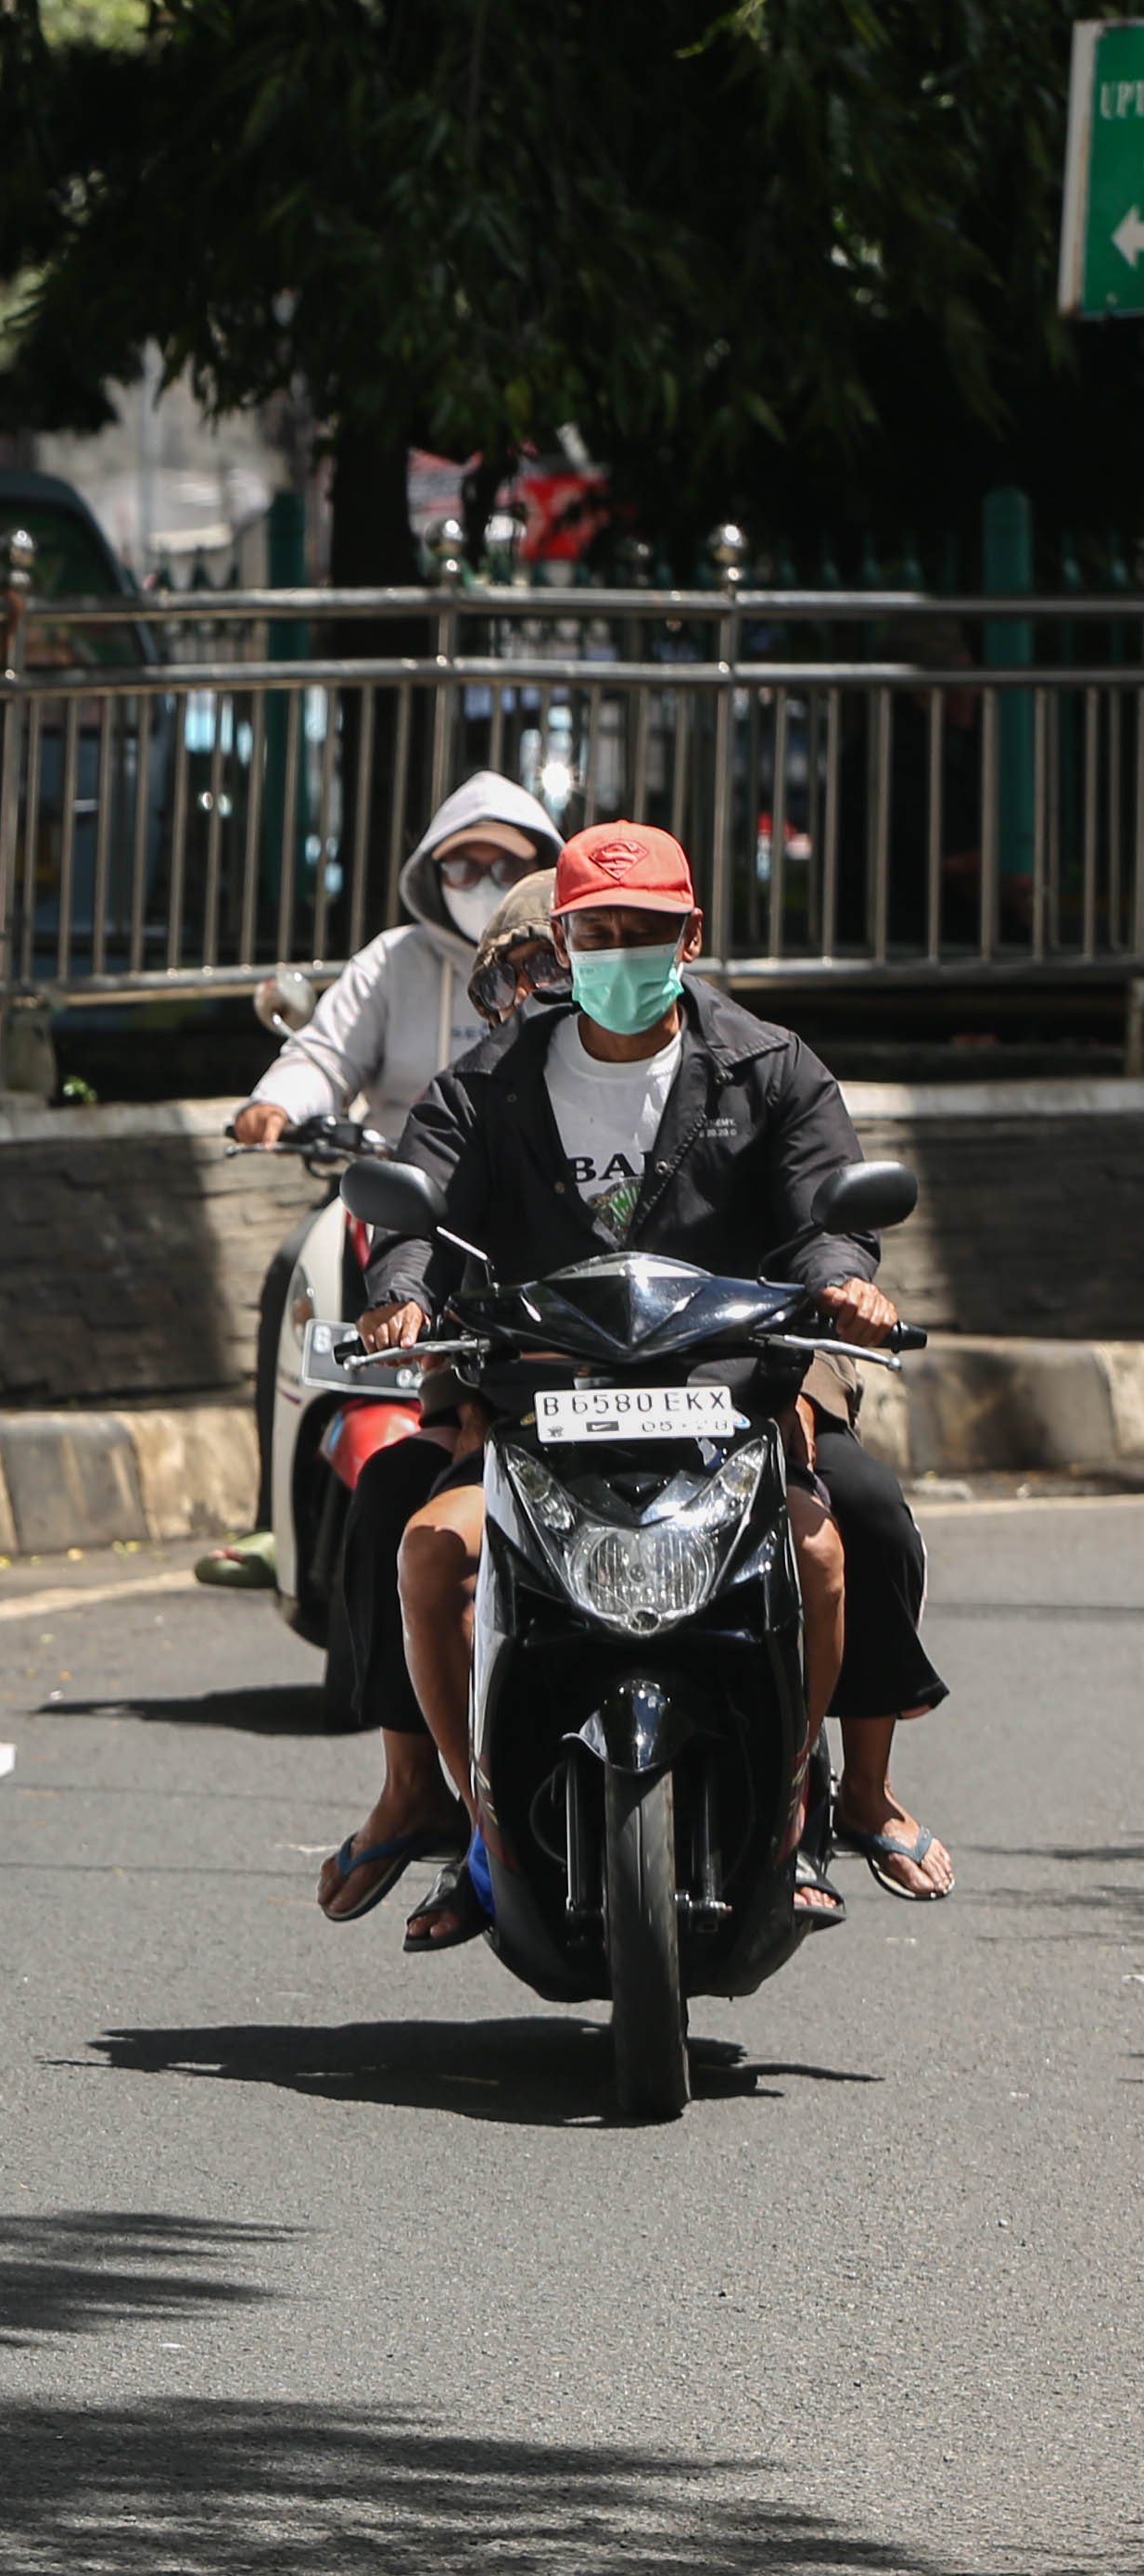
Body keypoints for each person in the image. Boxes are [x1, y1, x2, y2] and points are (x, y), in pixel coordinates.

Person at [344, 823, 951, 1949]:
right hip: (536, 1404)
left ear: (690, 935)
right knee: (419, 1540)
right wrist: (404, 1290)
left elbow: (826, 1208)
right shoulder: (483, 1083)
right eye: (598, 932)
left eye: (646, 932)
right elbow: (413, 1207)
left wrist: (839, 1286)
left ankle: (823, 1802)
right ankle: (453, 1809)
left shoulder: (770, 1066)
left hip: (726, 1396)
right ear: (562, 939)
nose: (620, 952)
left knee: (846, 1530)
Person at [248, 780, 565, 1916]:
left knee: (837, 1525)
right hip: (507, 1387)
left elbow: (794, 1224)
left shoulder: (726, 1068)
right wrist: (419, 1315)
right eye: (514, 979)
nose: (546, 998)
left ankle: (803, 1797)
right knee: (406, 1507)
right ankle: (417, 1783)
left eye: (582, 958)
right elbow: (422, 1229)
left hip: (658, 1394)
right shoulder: (466, 1100)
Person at [226, 770, 563, 1151]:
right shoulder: (392, 960)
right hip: (398, 1184)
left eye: (507, 868)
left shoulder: (573, 962)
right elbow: (328, 1056)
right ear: (434, 876)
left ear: (543, 869)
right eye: (463, 869)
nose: (485, 885)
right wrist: (280, 1101)